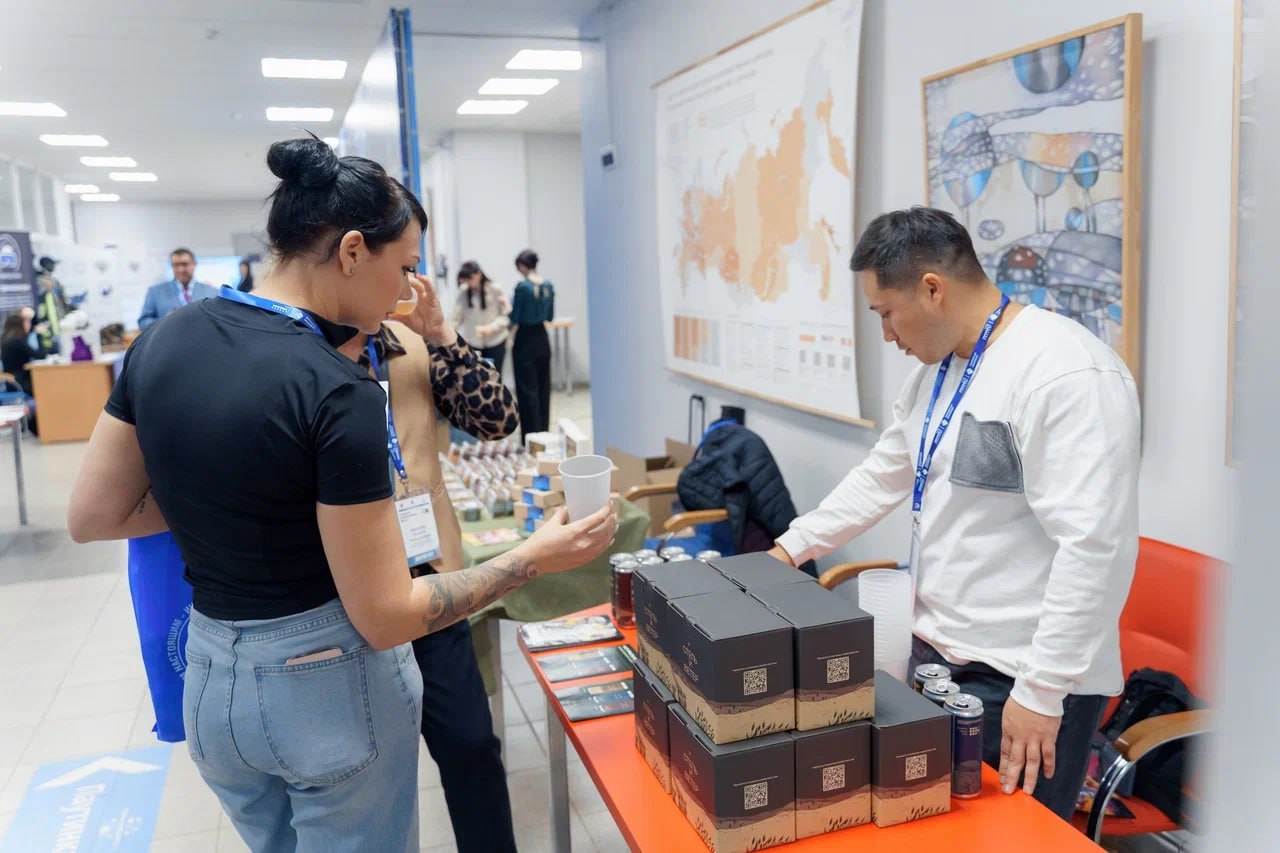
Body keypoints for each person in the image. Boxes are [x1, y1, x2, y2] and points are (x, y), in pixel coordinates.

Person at [67, 137, 617, 852]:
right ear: (353, 251)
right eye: (405, 267)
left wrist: (249, 497)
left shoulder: (163, 341)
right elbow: (385, 615)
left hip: (212, 672)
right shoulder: (334, 385)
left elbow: (94, 513)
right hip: (324, 673)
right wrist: (533, 557)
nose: (406, 289)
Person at [767, 207, 1140, 821]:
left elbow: (1095, 546)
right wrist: (790, 548)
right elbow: (884, 474)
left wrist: (1041, 692)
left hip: (1021, 677)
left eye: (886, 312)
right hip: (940, 660)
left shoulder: (1066, 372)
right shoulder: (938, 372)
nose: (887, 334)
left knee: (1011, 839)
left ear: (932, 289)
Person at [336, 308, 519, 852]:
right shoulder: (307, 353)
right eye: (400, 268)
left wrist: (444, 336)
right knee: (363, 773)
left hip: (430, 580)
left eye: (410, 270)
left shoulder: (410, 345)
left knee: (471, 744)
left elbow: (498, 421)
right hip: (346, 593)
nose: (404, 284)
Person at [509, 248, 554, 440]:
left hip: (525, 340)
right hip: (543, 338)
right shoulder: (548, 285)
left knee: (527, 390)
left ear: (521, 265)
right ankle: (544, 432)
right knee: (543, 388)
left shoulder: (522, 287)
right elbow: (550, 316)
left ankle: (531, 436)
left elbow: (514, 317)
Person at [450, 260, 511, 374]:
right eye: (466, 279)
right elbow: (455, 318)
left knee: (495, 375)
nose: (468, 283)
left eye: (470, 278)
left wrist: (491, 328)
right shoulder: (464, 292)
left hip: (496, 341)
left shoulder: (495, 289)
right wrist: (448, 334)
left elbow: (505, 316)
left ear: (479, 275)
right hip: (474, 343)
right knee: (476, 377)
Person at [137, 248, 217, 329]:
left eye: (184, 264)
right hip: (167, 336)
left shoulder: (212, 292)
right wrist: (164, 321)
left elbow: (218, 321)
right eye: (176, 265)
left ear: (194, 264)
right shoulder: (155, 292)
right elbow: (143, 322)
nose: (180, 269)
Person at [34, 257, 66, 353]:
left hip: (56, 323)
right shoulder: (38, 281)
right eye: (52, 265)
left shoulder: (54, 281)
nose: (53, 267)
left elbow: (60, 299)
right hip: (46, 324)